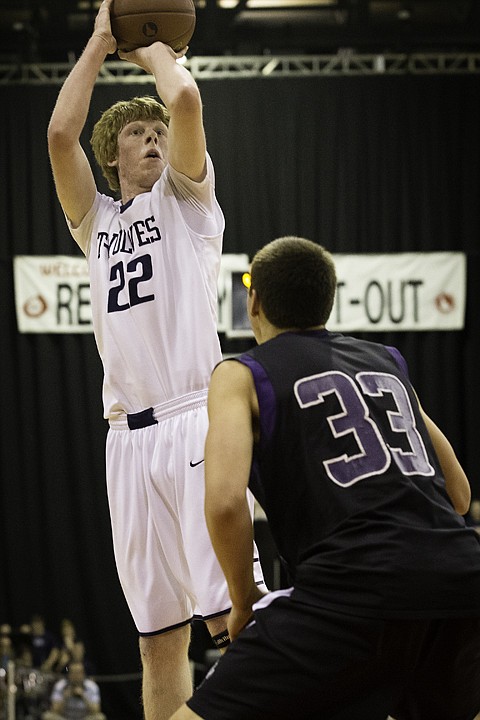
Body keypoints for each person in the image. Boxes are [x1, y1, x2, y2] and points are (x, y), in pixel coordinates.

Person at [47, 1, 265, 718]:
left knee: (237, 621)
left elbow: (187, 96)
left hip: (193, 420)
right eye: (138, 134)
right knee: (158, 640)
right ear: (114, 154)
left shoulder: (189, 203)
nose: (152, 141)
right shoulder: (98, 224)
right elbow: (59, 134)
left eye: (158, 135)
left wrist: (150, 46)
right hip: (126, 443)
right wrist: (99, 41)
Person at [171, 236, 480, 720]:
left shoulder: (239, 373)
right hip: (459, 579)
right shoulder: (388, 363)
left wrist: (243, 597)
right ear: (328, 301)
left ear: (253, 301)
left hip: (350, 585)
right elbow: (459, 494)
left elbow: (226, 503)